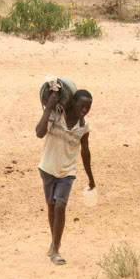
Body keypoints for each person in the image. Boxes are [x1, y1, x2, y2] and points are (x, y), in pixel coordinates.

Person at [36, 88, 96, 265]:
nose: (84, 110)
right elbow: (39, 133)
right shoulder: (55, 116)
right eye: (81, 106)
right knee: (51, 206)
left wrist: (91, 178)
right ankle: (54, 242)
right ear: (72, 103)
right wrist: (48, 108)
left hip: (67, 172)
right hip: (47, 168)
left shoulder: (84, 126)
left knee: (60, 206)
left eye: (88, 108)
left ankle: (55, 248)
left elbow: (85, 152)